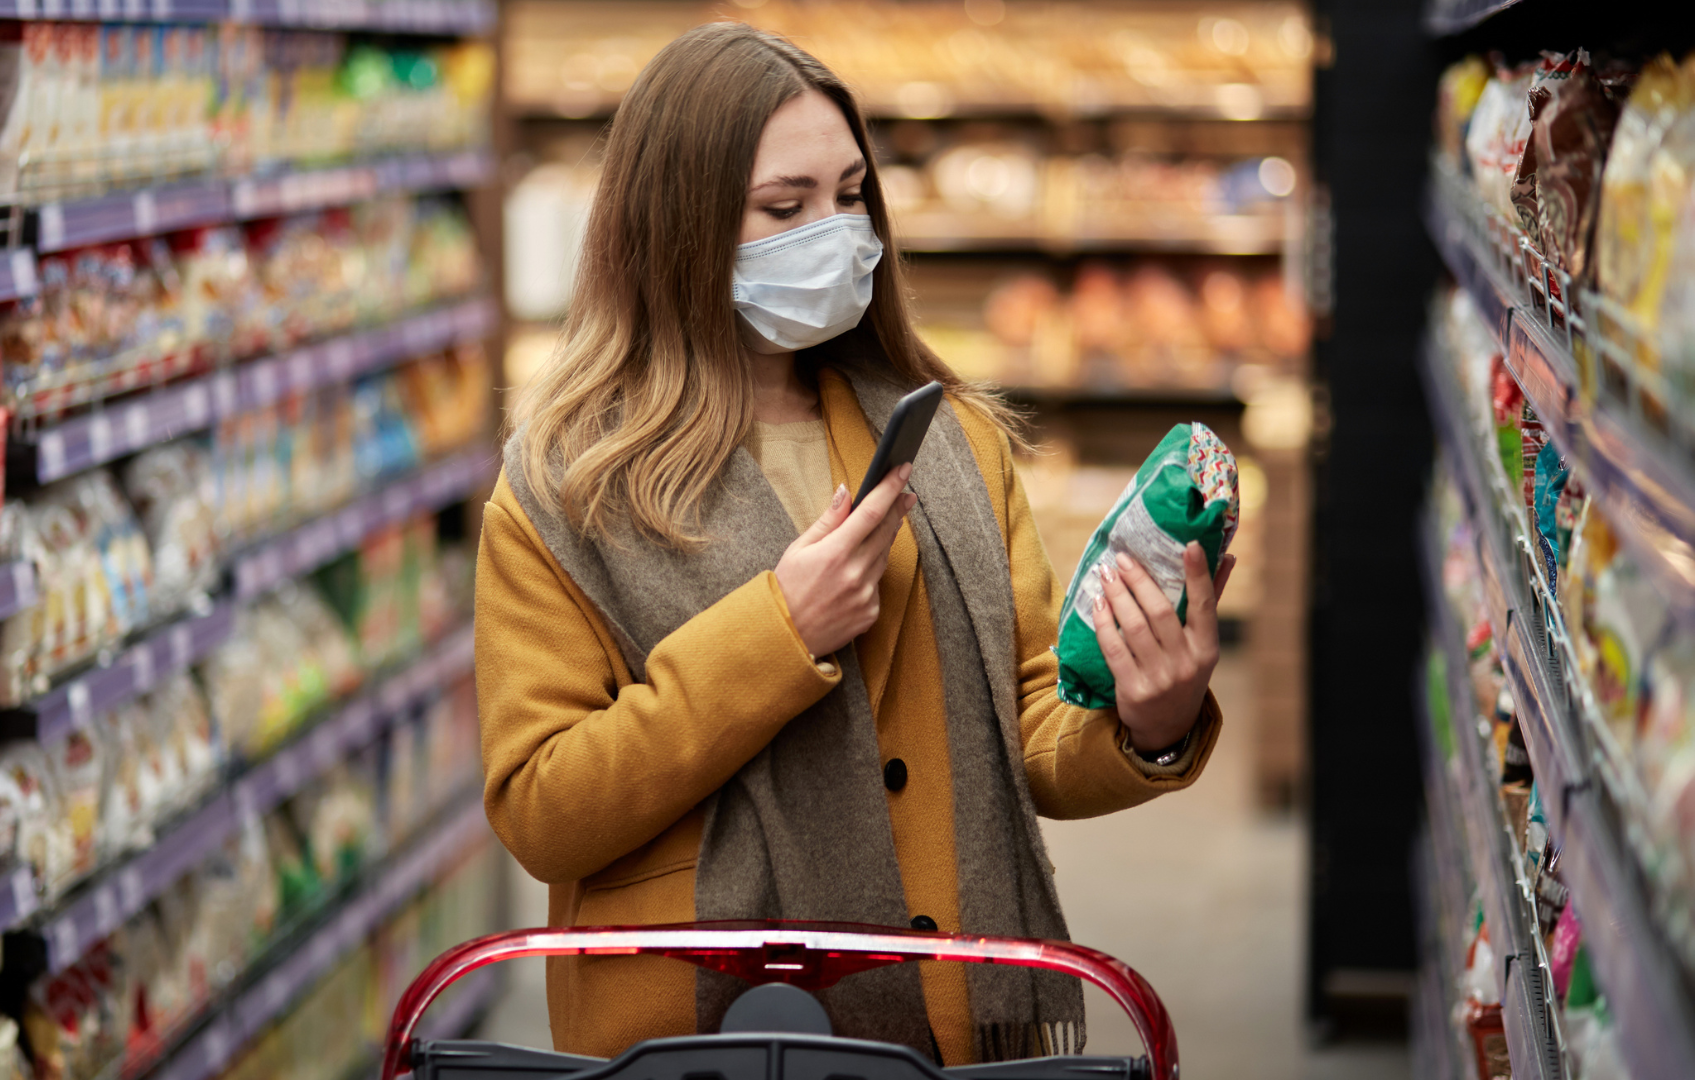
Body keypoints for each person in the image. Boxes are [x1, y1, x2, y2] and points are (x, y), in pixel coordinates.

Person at [474, 21, 1234, 1067]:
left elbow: (1030, 732)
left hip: (946, 1018)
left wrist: (1150, 722)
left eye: (849, 197)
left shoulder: (951, 442)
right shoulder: (562, 488)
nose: (833, 233)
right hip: (694, 1033)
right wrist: (778, 634)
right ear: (676, 225)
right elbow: (543, 811)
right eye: (784, 209)